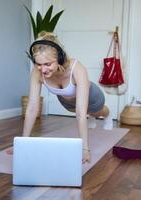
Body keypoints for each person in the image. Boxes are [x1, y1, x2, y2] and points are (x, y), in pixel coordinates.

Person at [7, 31, 113, 163]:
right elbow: (32, 108)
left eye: (48, 64)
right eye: (39, 64)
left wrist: (85, 149)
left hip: (92, 96)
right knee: (79, 111)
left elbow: (81, 112)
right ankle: (92, 116)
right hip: (67, 102)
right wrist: (22, 143)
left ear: (60, 59)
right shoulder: (37, 72)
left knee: (97, 111)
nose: (43, 70)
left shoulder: (76, 68)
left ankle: (107, 115)